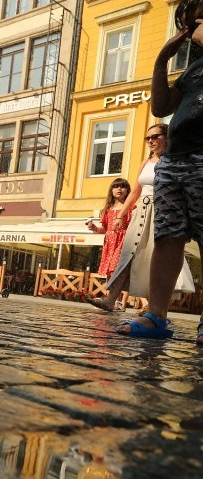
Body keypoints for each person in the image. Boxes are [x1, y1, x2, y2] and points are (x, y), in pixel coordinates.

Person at [117, 3, 203, 342]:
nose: (194, 23)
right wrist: (161, 61)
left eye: (199, 16)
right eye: (190, 19)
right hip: (175, 160)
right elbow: (160, 106)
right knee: (168, 237)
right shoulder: (195, 66)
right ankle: (156, 316)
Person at [87, 124, 195, 313]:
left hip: (163, 211)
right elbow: (135, 191)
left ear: (167, 137)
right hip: (141, 212)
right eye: (148, 138)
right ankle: (110, 299)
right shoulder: (146, 163)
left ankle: (154, 307)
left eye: (155, 137)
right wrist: (121, 215)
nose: (151, 141)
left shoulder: (174, 160)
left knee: (156, 258)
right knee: (127, 255)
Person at [86, 178, 132, 280]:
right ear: (111, 190)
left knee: (116, 268)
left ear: (128, 191)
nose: (119, 189)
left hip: (123, 241)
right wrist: (94, 228)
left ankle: (116, 294)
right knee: (109, 271)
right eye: (116, 186)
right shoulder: (107, 209)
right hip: (109, 243)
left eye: (123, 186)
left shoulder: (130, 208)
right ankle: (109, 294)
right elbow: (104, 229)